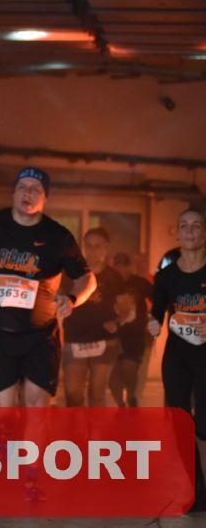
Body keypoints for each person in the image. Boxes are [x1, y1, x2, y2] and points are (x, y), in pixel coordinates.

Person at [0, 167, 97, 408]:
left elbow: (87, 278)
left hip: (41, 337)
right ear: (14, 193)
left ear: (45, 197)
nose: (28, 193)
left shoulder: (58, 236)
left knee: (37, 409)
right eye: (22, 187)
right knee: (0, 413)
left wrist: (73, 299)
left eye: (36, 189)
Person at [149, 208, 206, 513]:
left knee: (204, 425)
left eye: (197, 225)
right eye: (185, 225)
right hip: (177, 356)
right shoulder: (166, 276)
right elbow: (157, 311)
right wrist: (152, 323)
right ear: (178, 233)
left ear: (204, 233)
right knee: (180, 421)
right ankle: (195, 492)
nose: (191, 231)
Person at [62, 227, 123, 406]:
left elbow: (126, 307)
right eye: (88, 246)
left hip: (104, 341)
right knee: (73, 393)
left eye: (97, 246)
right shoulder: (70, 273)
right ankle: (76, 424)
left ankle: (95, 425)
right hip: (74, 338)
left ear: (106, 248)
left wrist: (117, 321)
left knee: (97, 394)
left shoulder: (114, 277)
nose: (92, 251)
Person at [109, 252, 152, 406]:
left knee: (129, 369)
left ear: (129, 267)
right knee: (113, 375)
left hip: (135, 334)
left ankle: (131, 397)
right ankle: (120, 404)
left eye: (123, 266)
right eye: (117, 266)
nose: (120, 270)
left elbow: (158, 299)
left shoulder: (140, 283)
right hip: (112, 334)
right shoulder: (109, 282)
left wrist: (152, 319)